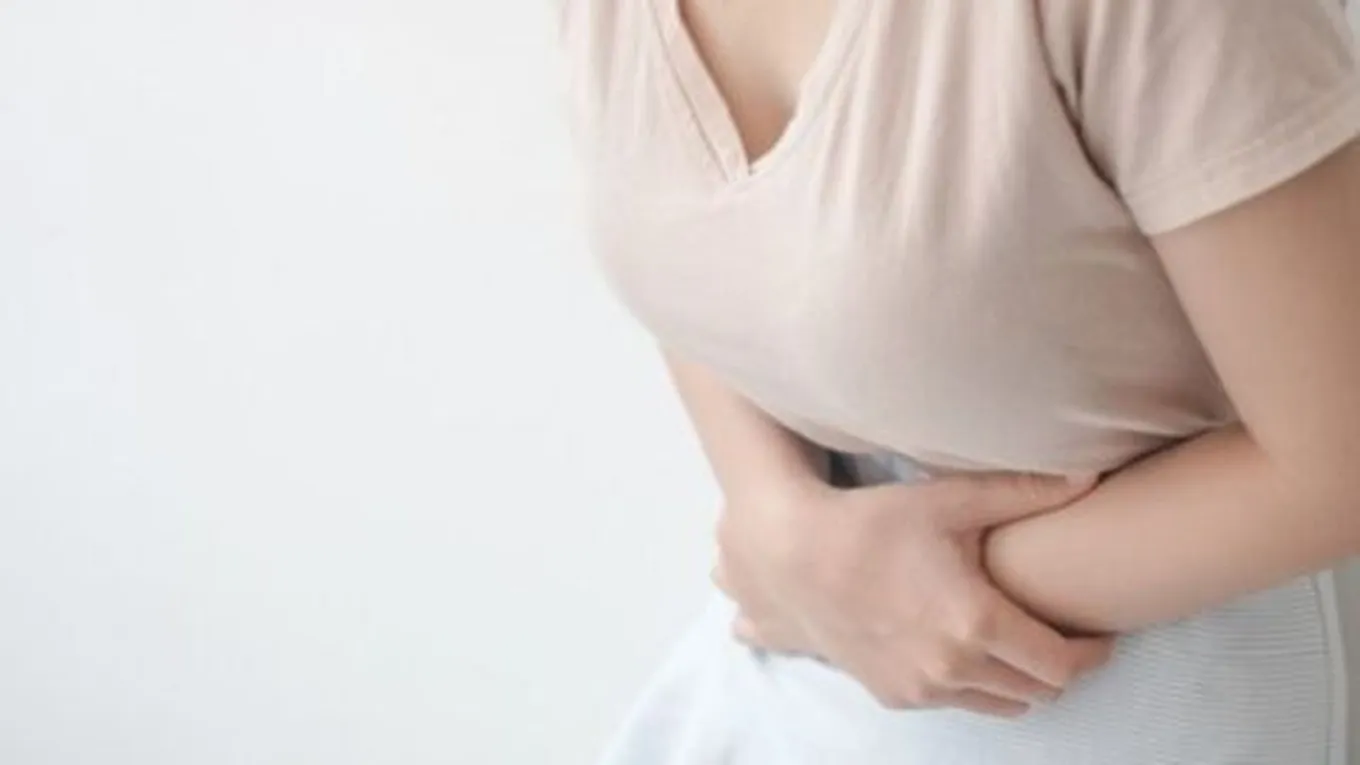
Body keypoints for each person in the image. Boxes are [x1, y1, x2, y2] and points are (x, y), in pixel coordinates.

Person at [557, 0, 1360, 761]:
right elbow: (692, 222)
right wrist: (778, 516)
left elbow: (1338, 468)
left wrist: (900, 591)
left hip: (1139, 663)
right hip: (800, 638)